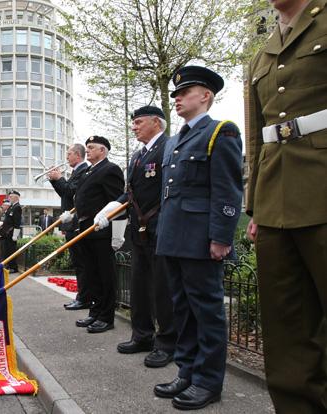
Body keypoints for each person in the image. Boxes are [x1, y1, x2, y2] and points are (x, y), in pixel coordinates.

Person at [246, 1, 327, 412]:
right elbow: (259, 136)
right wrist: (255, 207)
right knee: (287, 331)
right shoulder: (262, 53)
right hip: (275, 199)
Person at [153, 66, 243, 410]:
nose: (176, 98)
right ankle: (187, 372)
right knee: (182, 310)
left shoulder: (221, 131)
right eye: (175, 93)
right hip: (173, 237)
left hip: (202, 239)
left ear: (205, 95)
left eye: (184, 92)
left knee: (206, 312)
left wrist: (222, 237)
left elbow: (227, 189)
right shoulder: (174, 141)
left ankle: (208, 381)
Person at [96, 106, 175, 367]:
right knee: (140, 286)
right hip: (138, 229)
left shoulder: (168, 147)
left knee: (162, 289)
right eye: (133, 123)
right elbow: (131, 193)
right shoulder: (138, 155)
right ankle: (142, 336)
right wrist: (112, 206)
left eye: (139, 122)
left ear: (156, 122)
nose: (134, 126)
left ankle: (166, 343)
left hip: (160, 227)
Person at [71, 136, 124, 334]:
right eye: (87, 148)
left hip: (102, 231)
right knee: (92, 274)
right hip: (86, 228)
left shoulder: (110, 169)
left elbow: (116, 202)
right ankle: (95, 311)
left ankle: (106, 316)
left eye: (91, 148)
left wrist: (116, 232)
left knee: (105, 275)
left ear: (103, 150)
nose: (88, 151)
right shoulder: (88, 171)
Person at [48, 143, 90, 310]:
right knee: (78, 262)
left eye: (69, 154)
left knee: (81, 263)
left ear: (78, 155)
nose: (66, 157)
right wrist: (55, 180)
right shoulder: (76, 171)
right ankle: (82, 296)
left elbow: (72, 192)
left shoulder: (83, 170)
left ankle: (84, 297)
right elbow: (65, 193)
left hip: (76, 222)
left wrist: (60, 179)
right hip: (70, 222)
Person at [0, 190, 23, 273]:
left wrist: (15, 235)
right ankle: (8, 265)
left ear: (16, 197)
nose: (10, 198)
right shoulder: (12, 206)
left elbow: (17, 222)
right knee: (7, 251)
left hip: (11, 233)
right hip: (7, 233)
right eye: (10, 196)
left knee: (12, 250)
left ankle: (14, 267)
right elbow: (7, 219)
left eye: (11, 196)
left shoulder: (17, 207)